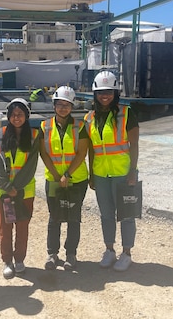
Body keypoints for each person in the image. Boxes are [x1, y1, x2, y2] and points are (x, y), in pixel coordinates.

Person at [84, 71, 139, 272]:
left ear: (115, 92)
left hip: (124, 174)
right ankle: (109, 250)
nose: (104, 96)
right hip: (101, 175)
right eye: (100, 92)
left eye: (109, 91)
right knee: (106, 215)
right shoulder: (89, 118)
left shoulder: (126, 113)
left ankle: (126, 253)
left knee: (126, 215)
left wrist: (132, 171)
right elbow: (91, 148)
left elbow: (134, 145)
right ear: (95, 94)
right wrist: (91, 174)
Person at [39, 86, 89, 271]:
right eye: (59, 104)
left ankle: (71, 254)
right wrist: (56, 176)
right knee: (55, 217)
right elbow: (43, 153)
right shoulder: (45, 126)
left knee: (73, 217)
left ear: (72, 106)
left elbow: (82, 152)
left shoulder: (80, 126)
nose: (63, 108)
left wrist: (67, 175)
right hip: (53, 180)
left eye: (67, 105)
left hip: (77, 179)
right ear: (54, 105)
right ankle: (52, 253)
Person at [0, 98, 40, 279]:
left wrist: (16, 189)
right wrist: (7, 187)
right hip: (3, 192)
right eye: (13, 114)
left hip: (24, 193)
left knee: (22, 227)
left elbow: (31, 166)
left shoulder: (35, 136)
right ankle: (7, 261)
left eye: (20, 114)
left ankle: (19, 259)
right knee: (5, 228)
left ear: (26, 116)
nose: (16, 117)